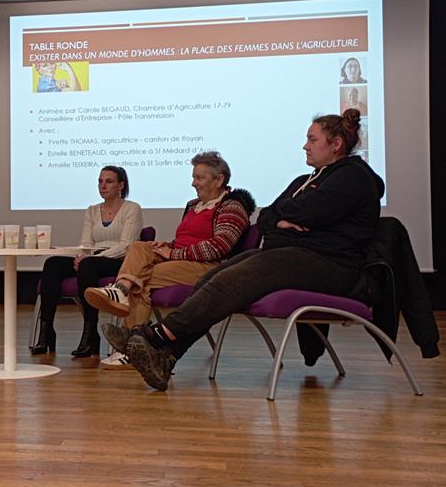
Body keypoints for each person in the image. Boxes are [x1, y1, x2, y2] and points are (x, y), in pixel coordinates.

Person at [101, 109, 383, 391]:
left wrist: (289, 218)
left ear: (335, 144)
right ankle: (167, 357)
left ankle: (157, 336)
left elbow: (307, 211)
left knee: (239, 276)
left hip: (333, 266)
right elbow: (268, 217)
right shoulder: (303, 181)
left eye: (312, 139)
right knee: (213, 278)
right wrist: (284, 220)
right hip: (294, 257)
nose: (305, 145)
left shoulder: (353, 176)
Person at [85, 152, 255, 367]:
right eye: (193, 177)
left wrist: (174, 253)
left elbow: (219, 247)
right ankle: (121, 290)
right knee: (139, 247)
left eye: (199, 178)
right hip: (180, 260)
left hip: (207, 268)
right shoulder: (193, 205)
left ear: (219, 179)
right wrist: (168, 246)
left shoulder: (232, 207)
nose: (193, 183)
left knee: (141, 279)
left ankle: (131, 344)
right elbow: (185, 240)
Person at [31, 166, 143, 360]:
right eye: (100, 181)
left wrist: (92, 259)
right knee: (53, 263)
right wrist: (80, 256)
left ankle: (90, 333)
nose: (103, 186)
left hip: (118, 260)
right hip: (91, 259)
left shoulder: (132, 208)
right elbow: (86, 244)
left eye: (109, 181)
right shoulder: (92, 211)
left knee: (87, 265)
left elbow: (126, 246)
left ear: (121, 185)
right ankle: (46, 331)